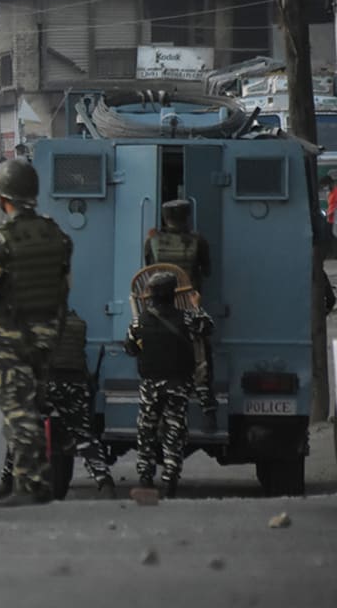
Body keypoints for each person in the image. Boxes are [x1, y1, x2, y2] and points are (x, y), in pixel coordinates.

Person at [0, 158, 71, 507]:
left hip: (12, 334)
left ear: (4, 197)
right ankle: (36, 480)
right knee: (34, 406)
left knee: (17, 409)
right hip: (47, 334)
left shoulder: (1, 239)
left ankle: (30, 485)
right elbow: (63, 289)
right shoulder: (57, 235)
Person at [125, 271, 209, 497]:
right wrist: (196, 305)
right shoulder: (187, 318)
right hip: (178, 384)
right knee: (174, 431)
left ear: (151, 294)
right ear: (174, 293)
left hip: (151, 385)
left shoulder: (139, 322)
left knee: (146, 430)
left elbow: (130, 349)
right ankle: (170, 477)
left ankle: (145, 475)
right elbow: (207, 328)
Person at [143, 198, 217, 429]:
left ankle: (156, 414)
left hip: (158, 311)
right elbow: (207, 271)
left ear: (165, 218)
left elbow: (149, 267)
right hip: (187, 309)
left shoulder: (152, 241)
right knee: (201, 355)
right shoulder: (198, 241)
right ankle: (207, 406)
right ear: (187, 217)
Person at [45, 309, 117, 497]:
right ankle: (104, 480)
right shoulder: (78, 322)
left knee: (26, 429)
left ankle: (17, 481)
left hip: (49, 382)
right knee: (83, 435)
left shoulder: (41, 321)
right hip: (76, 384)